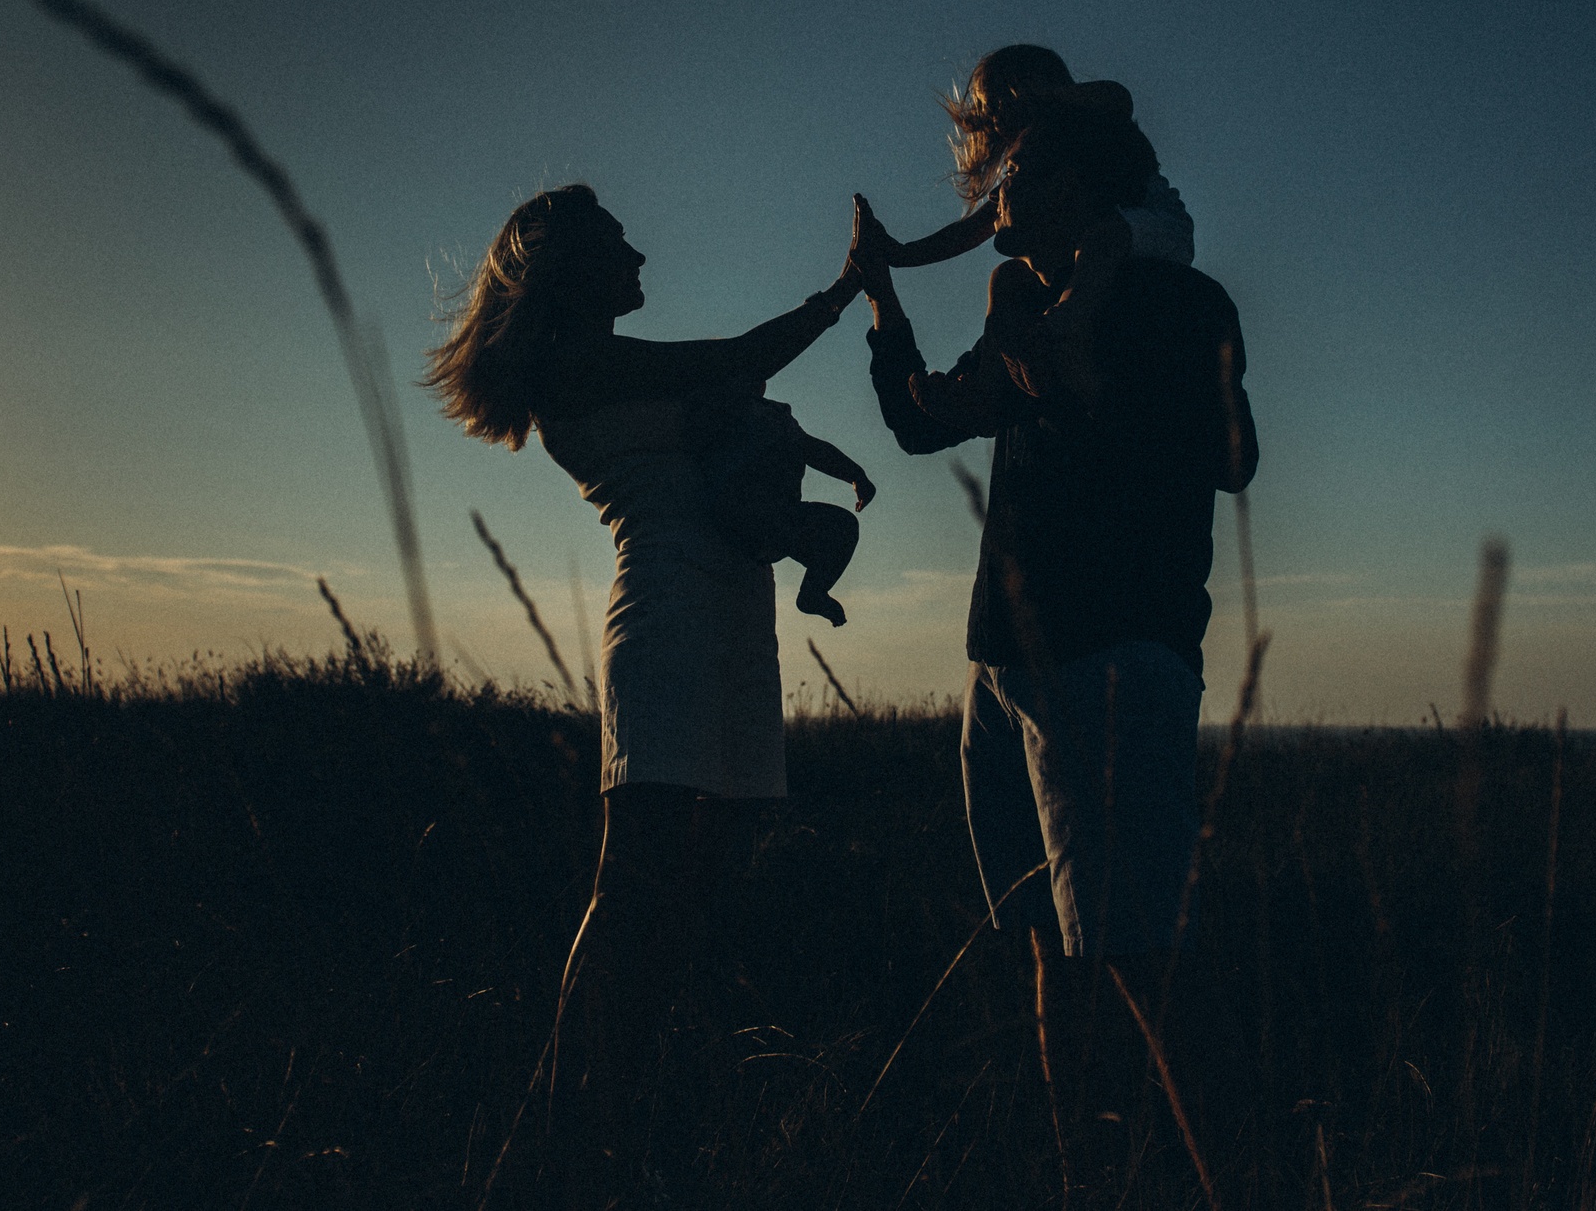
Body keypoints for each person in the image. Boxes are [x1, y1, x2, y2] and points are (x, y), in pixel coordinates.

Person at [421, 185, 860, 1207]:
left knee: (696, 873)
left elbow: (735, 420)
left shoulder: (614, 367)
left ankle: (619, 1097)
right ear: (571, 267)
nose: (639, 255)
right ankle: (568, 1119)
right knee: (637, 879)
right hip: (665, 613)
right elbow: (742, 355)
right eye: (617, 243)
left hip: (733, 612)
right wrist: (845, 289)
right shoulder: (582, 364)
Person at [850, 105, 1256, 1199]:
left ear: (1079, 186)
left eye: (1017, 172)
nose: (992, 197)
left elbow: (1233, 453)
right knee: (1051, 950)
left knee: (1145, 961)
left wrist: (1084, 367)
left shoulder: (1173, 298)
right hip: (1007, 669)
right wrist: (880, 302)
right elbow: (927, 421)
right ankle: (1085, 1180)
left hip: (1112, 657)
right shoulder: (1025, 302)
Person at [863, 44, 1195, 367]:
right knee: (1006, 278)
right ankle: (988, 385)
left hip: (1154, 228)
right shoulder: (1025, 173)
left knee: (1101, 238)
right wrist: (903, 254)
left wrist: (1047, 98)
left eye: (998, 103)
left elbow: (1119, 98)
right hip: (1085, 248)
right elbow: (972, 230)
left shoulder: (1091, 126)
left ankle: (1061, 327)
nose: (994, 118)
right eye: (988, 109)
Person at [681, 379, 876, 626]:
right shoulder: (728, 410)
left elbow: (812, 449)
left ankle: (813, 592)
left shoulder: (769, 415)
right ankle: (813, 592)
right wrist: (855, 475)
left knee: (842, 527)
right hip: (750, 517)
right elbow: (810, 449)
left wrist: (855, 475)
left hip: (776, 520)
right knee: (841, 526)